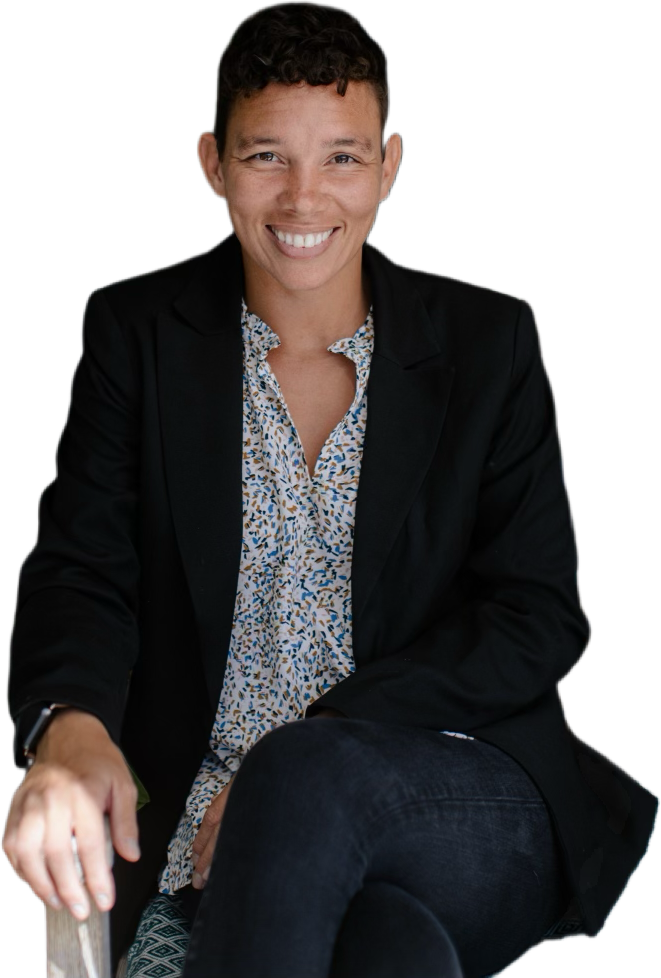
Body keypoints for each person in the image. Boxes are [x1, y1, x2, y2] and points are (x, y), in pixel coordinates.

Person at [3, 4, 659, 978]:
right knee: (387, 955)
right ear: (211, 163)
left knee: (302, 776)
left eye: (342, 159)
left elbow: (536, 616)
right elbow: (82, 567)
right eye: (267, 156)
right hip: (203, 822)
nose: (304, 198)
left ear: (390, 165)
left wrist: (323, 734)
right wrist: (71, 727)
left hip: (458, 794)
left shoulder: (487, 343)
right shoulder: (134, 333)